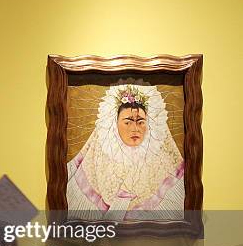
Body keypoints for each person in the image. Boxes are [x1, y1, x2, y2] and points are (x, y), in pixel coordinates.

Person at [66, 80, 184, 221]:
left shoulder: (161, 160)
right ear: (114, 124)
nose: (135, 128)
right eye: (128, 122)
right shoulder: (98, 158)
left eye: (140, 122)